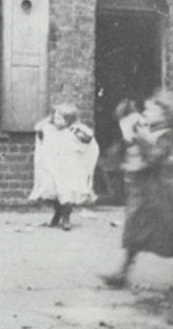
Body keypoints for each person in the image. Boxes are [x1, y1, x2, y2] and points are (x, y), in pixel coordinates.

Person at [104, 91, 173, 288]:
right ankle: (122, 273)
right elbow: (128, 151)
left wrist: (140, 138)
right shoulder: (146, 128)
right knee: (135, 230)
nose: (146, 112)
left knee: (168, 231)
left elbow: (155, 157)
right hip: (145, 193)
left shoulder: (166, 134)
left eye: (152, 110)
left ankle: (122, 273)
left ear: (164, 114)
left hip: (163, 192)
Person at [28, 103, 100, 230]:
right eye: (55, 118)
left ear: (69, 120)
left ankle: (66, 216)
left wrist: (77, 129)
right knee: (52, 192)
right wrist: (49, 119)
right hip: (52, 166)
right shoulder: (49, 130)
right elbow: (38, 129)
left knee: (65, 192)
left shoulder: (73, 131)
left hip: (68, 168)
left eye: (60, 119)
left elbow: (88, 139)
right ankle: (58, 211)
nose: (56, 121)